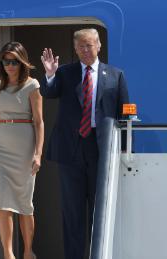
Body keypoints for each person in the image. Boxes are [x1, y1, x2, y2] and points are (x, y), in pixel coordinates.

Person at [40, 28, 129, 259]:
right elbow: (50, 92)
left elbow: (125, 115)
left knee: (100, 212)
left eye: (89, 45)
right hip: (70, 151)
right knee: (72, 213)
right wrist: (50, 74)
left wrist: (125, 151)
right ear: (75, 49)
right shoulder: (66, 73)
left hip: (101, 151)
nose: (85, 50)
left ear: (99, 46)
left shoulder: (115, 75)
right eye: (81, 46)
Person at [0, 42, 44, 259]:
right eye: (5, 61)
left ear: (22, 62)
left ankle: (28, 251)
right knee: (2, 202)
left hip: (25, 147)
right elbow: (1, 118)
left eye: (13, 61)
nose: (9, 65)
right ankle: (8, 254)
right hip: (0, 148)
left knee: (24, 203)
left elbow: (39, 122)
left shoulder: (32, 85)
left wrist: (38, 153)